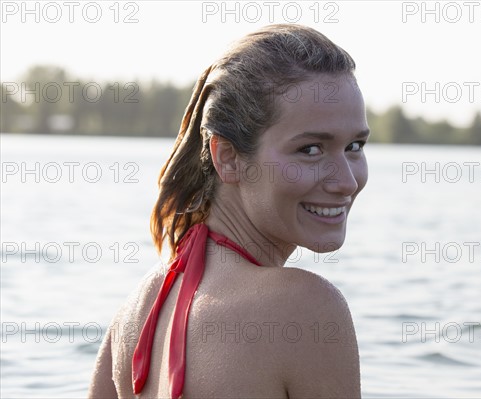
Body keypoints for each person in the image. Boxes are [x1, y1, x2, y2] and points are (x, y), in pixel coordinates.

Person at [88, 24, 369, 398]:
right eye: (311, 150)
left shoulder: (135, 314)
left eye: (355, 146)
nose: (346, 181)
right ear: (228, 158)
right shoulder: (304, 308)